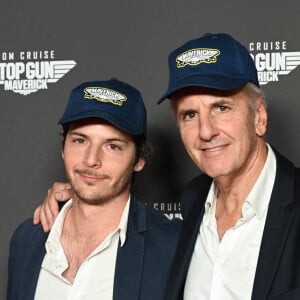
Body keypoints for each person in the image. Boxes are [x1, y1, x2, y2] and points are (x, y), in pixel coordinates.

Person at [33, 33, 300, 300]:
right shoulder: (193, 201)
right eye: (190, 115)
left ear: (260, 118)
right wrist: (79, 195)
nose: (206, 131)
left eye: (221, 108)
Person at [7, 78, 181, 300]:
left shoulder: (172, 248)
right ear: (63, 146)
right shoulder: (27, 240)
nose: (91, 160)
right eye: (80, 141)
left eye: (112, 146)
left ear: (139, 159)